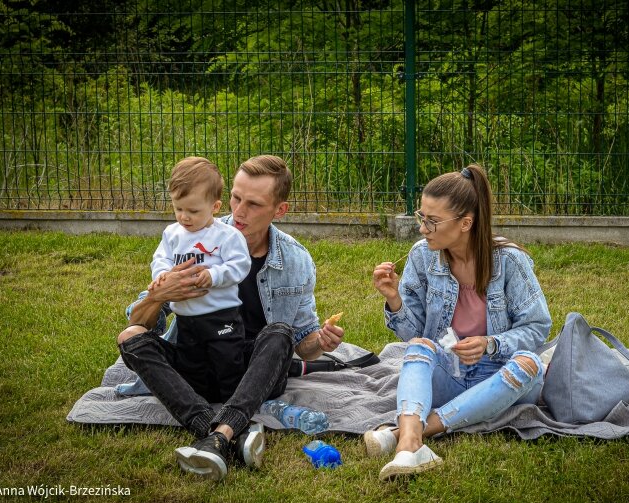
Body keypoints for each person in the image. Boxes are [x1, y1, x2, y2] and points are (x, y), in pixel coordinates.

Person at [117, 155, 344, 482]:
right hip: (195, 368)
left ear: (279, 211)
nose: (239, 211)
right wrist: (160, 294)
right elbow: (140, 322)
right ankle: (221, 431)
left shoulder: (296, 260)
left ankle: (218, 431)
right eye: (236, 198)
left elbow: (301, 345)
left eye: (253, 204)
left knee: (279, 332)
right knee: (130, 338)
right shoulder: (193, 239)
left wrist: (321, 341)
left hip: (252, 374)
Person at [368, 163, 551, 481]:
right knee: (420, 346)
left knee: (530, 363)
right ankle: (411, 445)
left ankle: (408, 432)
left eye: (432, 221)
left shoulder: (510, 262)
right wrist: (394, 299)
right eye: (420, 216)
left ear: (466, 223)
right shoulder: (422, 256)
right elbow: (413, 335)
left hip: (500, 378)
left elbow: (537, 327)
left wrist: (490, 344)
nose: (422, 228)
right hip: (448, 376)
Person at [147, 156, 251, 407]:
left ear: (215, 207)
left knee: (227, 360)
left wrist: (213, 276)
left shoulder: (227, 236)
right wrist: (162, 275)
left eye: (193, 211)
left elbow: (240, 265)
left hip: (220, 316)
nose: (184, 217)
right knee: (191, 362)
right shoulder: (172, 234)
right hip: (186, 318)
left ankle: (231, 404)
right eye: (178, 208)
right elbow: (159, 258)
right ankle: (201, 402)